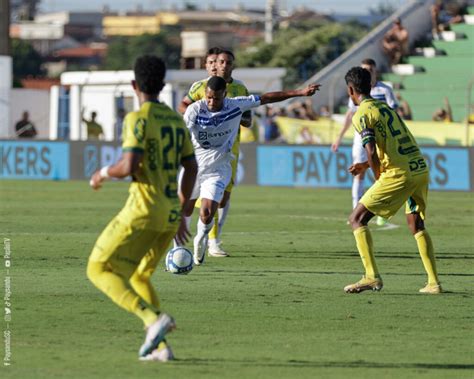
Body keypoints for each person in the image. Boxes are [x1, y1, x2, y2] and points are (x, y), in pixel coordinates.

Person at [87, 55, 198, 362]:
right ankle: (162, 350)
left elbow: (129, 165)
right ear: (163, 85)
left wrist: (102, 173)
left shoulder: (137, 119)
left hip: (143, 210)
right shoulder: (176, 120)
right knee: (139, 277)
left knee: (97, 269)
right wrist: (180, 206)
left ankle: (152, 320)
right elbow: (191, 167)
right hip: (169, 213)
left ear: (134, 85)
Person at [184, 76, 320, 265]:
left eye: (216, 98)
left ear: (224, 94)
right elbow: (182, 134)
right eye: (208, 98)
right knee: (184, 208)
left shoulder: (236, 105)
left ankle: (201, 238)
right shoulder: (195, 109)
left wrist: (299, 92)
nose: (211, 102)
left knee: (207, 212)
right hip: (194, 168)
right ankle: (178, 251)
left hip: (219, 168)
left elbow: (267, 98)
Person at [343, 66, 441, 294]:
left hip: (399, 174)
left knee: (357, 218)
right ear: (370, 86)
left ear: (350, 90)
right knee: (416, 223)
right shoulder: (385, 108)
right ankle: (433, 283)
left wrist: (376, 174)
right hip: (419, 168)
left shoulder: (362, 114)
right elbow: (396, 146)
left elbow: (370, 149)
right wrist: (366, 166)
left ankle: (371, 276)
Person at [178, 47, 252, 258]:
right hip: (202, 151)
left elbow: (248, 119)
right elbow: (184, 106)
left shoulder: (239, 89)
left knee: (223, 199)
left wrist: (235, 117)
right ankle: (207, 242)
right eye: (214, 62)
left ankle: (213, 239)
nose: (218, 66)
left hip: (230, 149)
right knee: (200, 199)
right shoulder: (200, 87)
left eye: (224, 62)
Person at [332, 59, 398, 226]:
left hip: (382, 137)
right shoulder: (356, 93)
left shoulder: (385, 89)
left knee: (384, 173)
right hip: (361, 136)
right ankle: (356, 209)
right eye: (364, 69)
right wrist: (339, 137)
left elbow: (394, 113)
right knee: (359, 173)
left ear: (375, 71)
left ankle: (383, 209)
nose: (367, 72)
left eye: (369, 69)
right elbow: (350, 114)